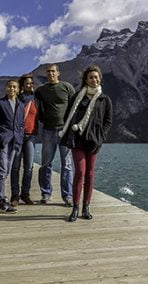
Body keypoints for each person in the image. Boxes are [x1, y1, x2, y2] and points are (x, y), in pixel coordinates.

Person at [59, 64, 112, 222]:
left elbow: (108, 122)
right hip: (78, 140)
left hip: (94, 141)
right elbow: (68, 116)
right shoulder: (77, 97)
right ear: (86, 80)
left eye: (96, 77)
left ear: (99, 79)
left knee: (90, 174)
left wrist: (101, 137)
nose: (94, 80)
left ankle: (86, 207)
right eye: (91, 77)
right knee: (80, 173)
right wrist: (70, 134)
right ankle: (75, 207)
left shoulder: (104, 100)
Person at [35, 64, 75, 206]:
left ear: (58, 73)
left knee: (67, 165)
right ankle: (46, 193)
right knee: (46, 163)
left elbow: (75, 107)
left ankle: (68, 196)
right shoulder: (41, 90)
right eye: (48, 72)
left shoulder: (67, 87)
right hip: (47, 131)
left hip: (65, 131)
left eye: (53, 71)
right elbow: (34, 106)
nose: (50, 73)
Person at [0, 79, 24, 213]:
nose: (12, 89)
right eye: (9, 87)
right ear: (6, 89)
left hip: (15, 142)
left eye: (14, 87)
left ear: (18, 90)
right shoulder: (0, 103)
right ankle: (1, 202)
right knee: (2, 171)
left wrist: (20, 139)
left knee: (6, 172)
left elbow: (20, 125)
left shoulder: (21, 105)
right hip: (2, 141)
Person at [10, 73, 38, 207]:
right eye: (27, 83)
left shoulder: (37, 99)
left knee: (29, 167)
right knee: (15, 167)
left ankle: (25, 193)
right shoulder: (17, 99)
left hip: (31, 136)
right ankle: (15, 195)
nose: (30, 85)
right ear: (22, 85)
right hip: (17, 137)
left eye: (31, 83)